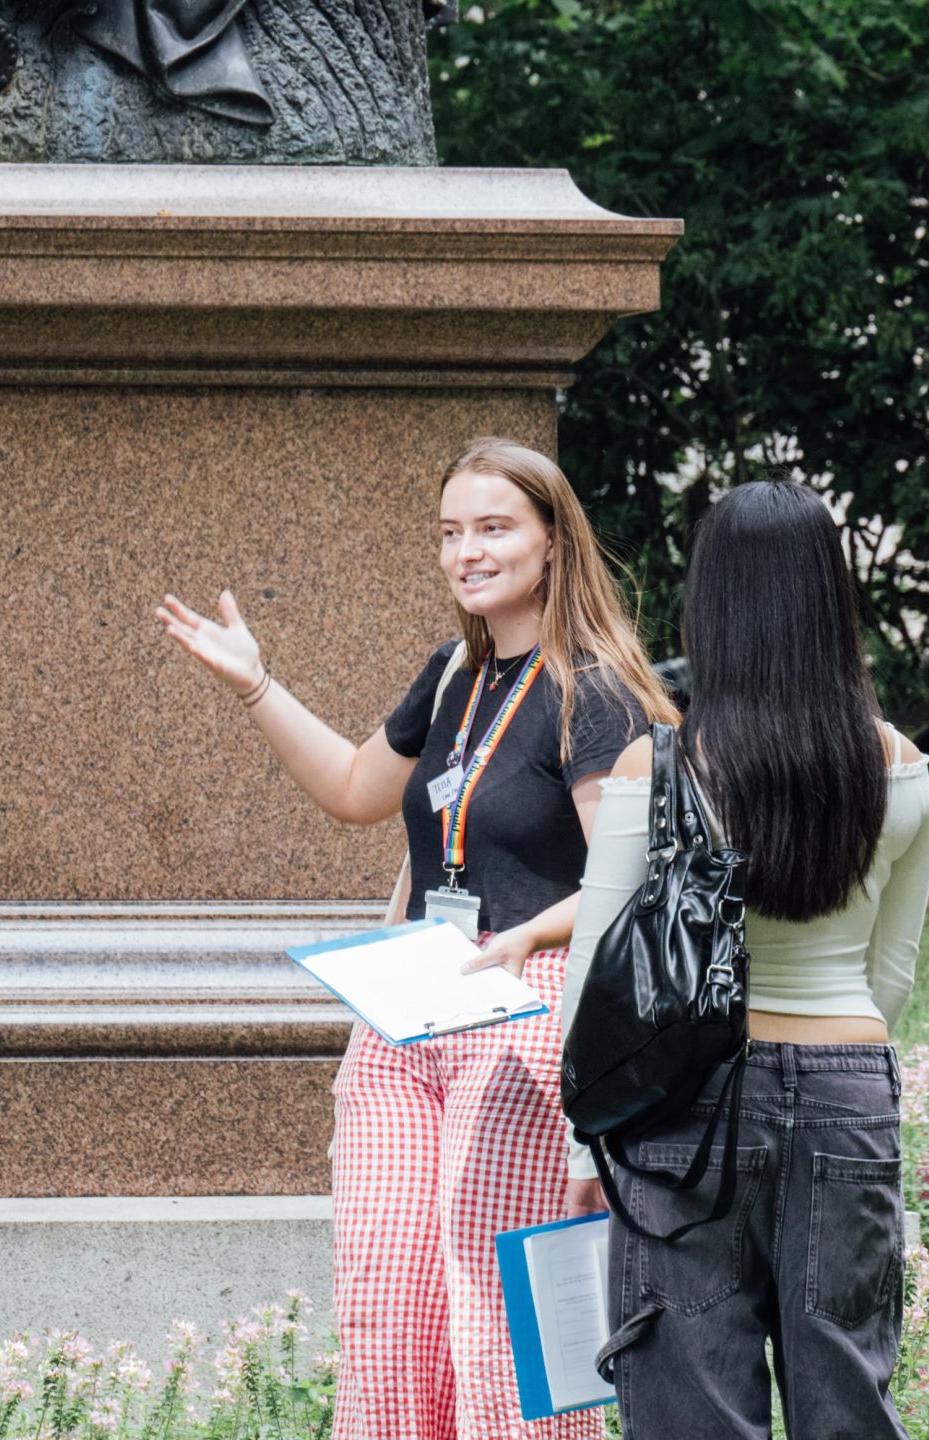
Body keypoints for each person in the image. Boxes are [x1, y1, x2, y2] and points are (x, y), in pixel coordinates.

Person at [158, 436, 671, 1440]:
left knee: (500, 1332)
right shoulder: (452, 675)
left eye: (492, 528)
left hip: (527, 1013)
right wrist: (257, 688)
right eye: (449, 533)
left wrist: (526, 936)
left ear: (552, 543)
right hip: (409, 1019)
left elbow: (631, 875)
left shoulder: (593, 687)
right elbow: (356, 790)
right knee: (387, 1314)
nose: (465, 552)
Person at [564, 481, 929, 1437]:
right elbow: (889, 976)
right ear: (830, 599)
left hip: (684, 1107)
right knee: (847, 1398)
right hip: (848, 1091)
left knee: (692, 1406)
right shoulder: (899, 768)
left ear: (713, 606)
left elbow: (602, 971)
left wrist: (583, 1141)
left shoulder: (657, 771)